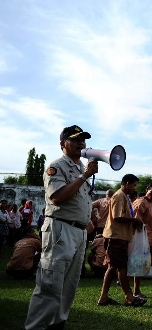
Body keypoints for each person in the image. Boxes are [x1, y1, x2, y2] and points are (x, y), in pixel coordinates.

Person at [25, 124, 98, 330]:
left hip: (78, 232)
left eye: (83, 139)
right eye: (75, 139)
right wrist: (83, 177)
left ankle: (57, 324)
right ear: (62, 144)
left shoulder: (81, 169)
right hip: (60, 230)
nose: (81, 143)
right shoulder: (57, 166)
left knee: (69, 287)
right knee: (51, 283)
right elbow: (57, 197)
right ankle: (37, 326)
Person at [97, 174, 146, 307]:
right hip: (115, 237)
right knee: (121, 267)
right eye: (134, 185)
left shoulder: (124, 197)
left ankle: (104, 297)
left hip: (119, 237)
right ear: (127, 183)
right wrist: (135, 220)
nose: (134, 188)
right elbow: (118, 217)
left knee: (112, 267)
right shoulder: (119, 196)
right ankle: (129, 297)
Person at [132, 181, 152, 298]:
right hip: (140, 239)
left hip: (149, 239)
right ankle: (134, 291)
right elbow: (137, 220)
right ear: (147, 189)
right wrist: (143, 237)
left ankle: (135, 290)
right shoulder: (141, 202)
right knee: (138, 264)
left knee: (144, 264)